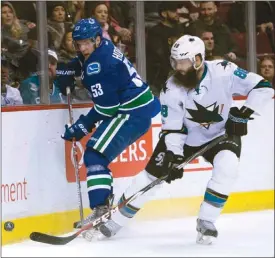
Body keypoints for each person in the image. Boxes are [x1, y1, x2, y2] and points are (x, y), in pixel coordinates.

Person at [97, 35, 274, 244]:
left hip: (221, 133)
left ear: (198, 60)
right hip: (186, 137)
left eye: (184, 62)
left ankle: (206, 222)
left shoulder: (224, 70)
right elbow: (173, 129)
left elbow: (263, 86)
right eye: (176, 62)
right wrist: (173, 155)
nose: (179, 68)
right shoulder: (171, 88)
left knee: (228, 167)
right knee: (151, 178)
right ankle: (116, 219)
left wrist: (244, 113)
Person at [60, 18, 160, 240]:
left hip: (131, 113)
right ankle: (102, 206)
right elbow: (87, 61)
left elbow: (107, 108)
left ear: (97, 39)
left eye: (86, 43)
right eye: (78, 44)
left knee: (95, 154)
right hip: (133, 109)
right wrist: (71, 67)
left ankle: (101, 210)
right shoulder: (104, 47)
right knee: (95, 154)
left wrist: (83, 125)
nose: (82, 48)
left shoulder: (100, 65)